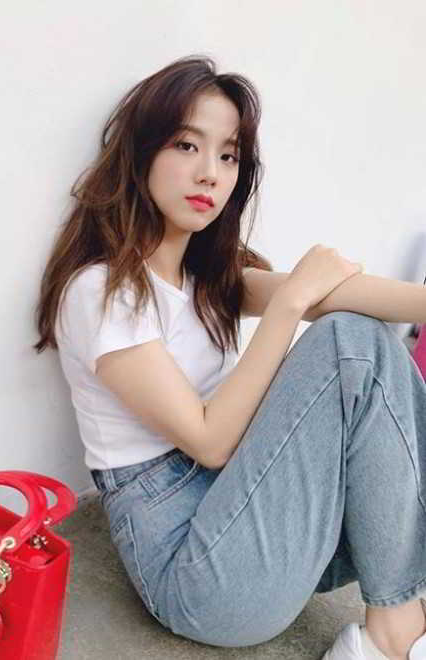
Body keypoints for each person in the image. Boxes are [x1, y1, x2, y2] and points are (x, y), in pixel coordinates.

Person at [33, 54, 426, 659]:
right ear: (142, 152)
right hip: (199, 579)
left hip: (249, 519)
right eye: (187, 145)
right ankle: (393, 638)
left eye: (228, 156)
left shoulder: (208, 279)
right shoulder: (102, 292)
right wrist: (289, 301)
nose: (209, 174)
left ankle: (396, 628)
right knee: (347, 345)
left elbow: (342, 296)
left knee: (361, 333)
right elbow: (211, 443)